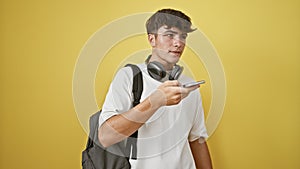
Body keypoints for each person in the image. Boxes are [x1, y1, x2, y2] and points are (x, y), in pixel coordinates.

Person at [98, 8, 213, 169]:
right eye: (169, 35)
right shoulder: (129, 77)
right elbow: (105, 136)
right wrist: (155, 101)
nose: (178, 43)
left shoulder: (190, 86)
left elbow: (197, 140)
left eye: (183, 36)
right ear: (152, 39)